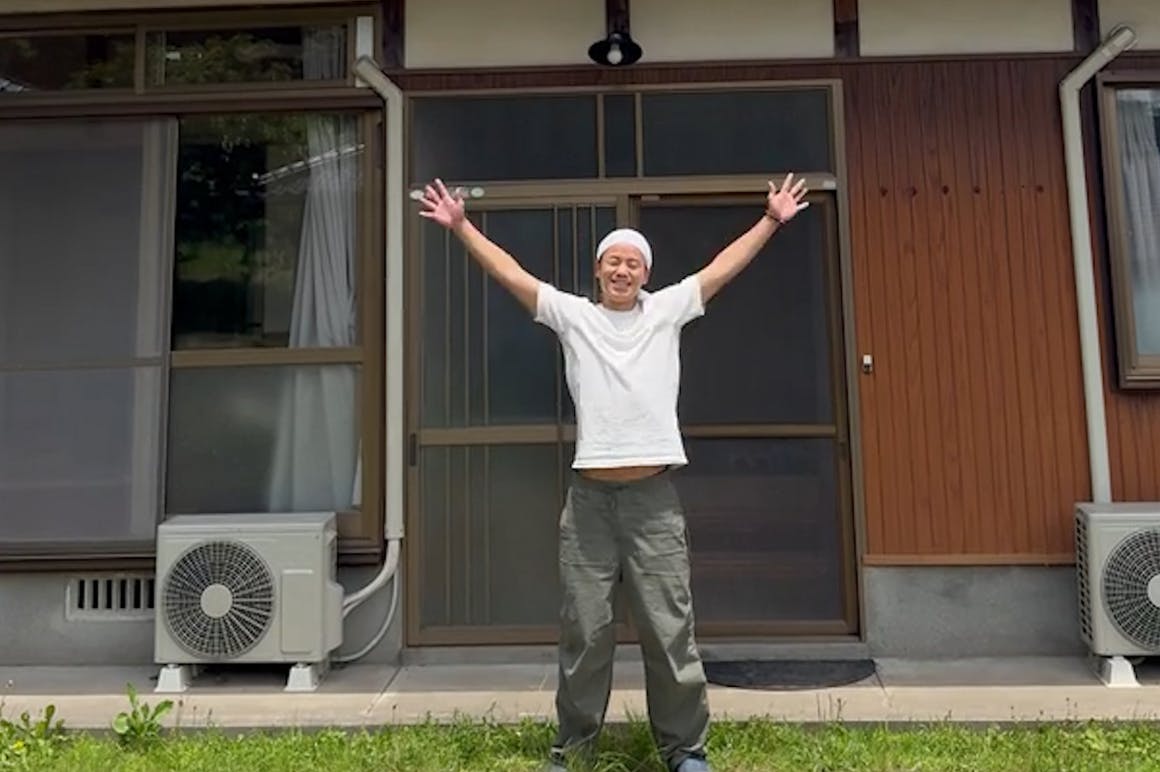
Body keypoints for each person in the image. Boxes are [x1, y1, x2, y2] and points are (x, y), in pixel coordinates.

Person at [417, 174, 810, 772]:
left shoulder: (666, 312)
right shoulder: (575, 317)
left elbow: (722, 269)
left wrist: (772, 219)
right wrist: (462, 226)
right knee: (586, 632)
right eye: (612, 262)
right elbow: (511, 274)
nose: (622, 270)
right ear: (598, 271)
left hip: (653, 501)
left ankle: (686, 751)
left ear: (645, 273)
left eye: (632, 263)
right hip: (590, 505)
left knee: (670, 631)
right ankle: (573, 749)